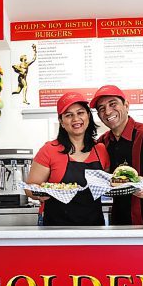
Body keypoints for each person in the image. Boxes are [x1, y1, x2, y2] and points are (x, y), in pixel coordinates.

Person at [90, 85, 143, 225]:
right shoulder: (102, 142)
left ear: (126, 105)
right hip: (119, 222)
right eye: (101, 108)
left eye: (113, 104)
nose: (108, 111)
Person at [25, 92, 110, 226]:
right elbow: (30, 187)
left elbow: (107, 184)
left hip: (94, 227)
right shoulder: (49, 150)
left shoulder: (100, 150)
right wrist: (38, 194)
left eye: (80, 113)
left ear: (88, 115)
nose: (76, 119)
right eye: (69, 115)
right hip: (56, 228)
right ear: (61, 121)